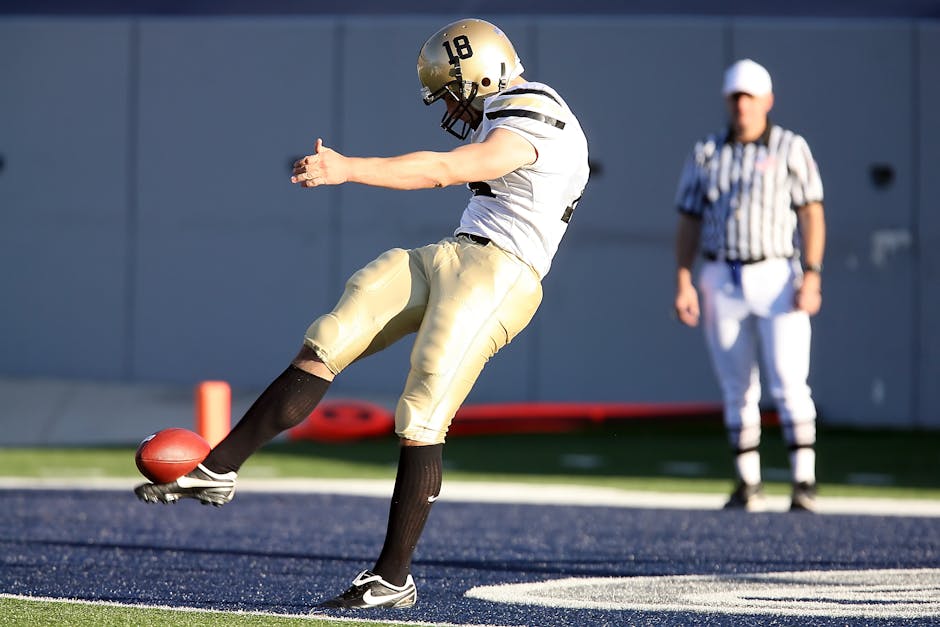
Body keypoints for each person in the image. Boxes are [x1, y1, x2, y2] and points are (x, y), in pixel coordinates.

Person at [135, 18, 589, 610]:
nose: (451, 105)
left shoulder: (536, 110)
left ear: (479, 73)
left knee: (421, 409)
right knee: (333, 332)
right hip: (458, 251)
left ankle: (393, 577)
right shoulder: (511, 109)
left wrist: (348, 169)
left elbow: (445, 169)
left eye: (452, 89)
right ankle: (219, 468)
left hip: (503, 275)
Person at [672, 59, 826, 513]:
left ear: (767, 100)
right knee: (736, 385)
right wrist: (683, 278)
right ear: (727, 99)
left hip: (777, 272)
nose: (742, 105)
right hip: (721, 273)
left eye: (750, 97)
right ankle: (748, 482)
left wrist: (812, 273)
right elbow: (688, 219)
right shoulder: (707, 151)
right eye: (736, 96)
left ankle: (804, 481)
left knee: (789, 380)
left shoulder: (789, 147)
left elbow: (811, 211)